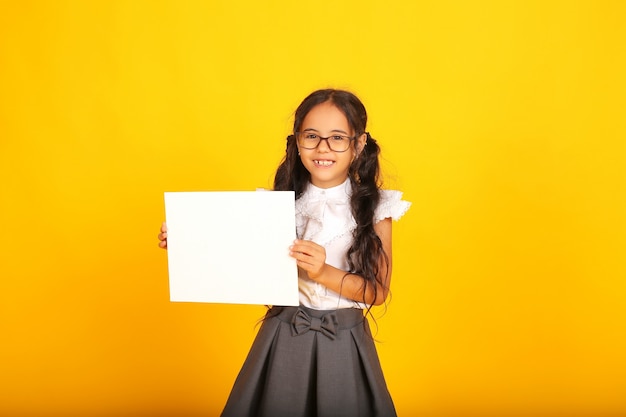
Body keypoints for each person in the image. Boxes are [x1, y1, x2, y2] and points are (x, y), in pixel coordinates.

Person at [158, 89, 410, 416]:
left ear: (358, 144)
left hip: (344, 340)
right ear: (296, 141)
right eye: (311, 136)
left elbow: (376, 292)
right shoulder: (276, 204)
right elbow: (238, 257)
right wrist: (187, 239)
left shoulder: (376, 208)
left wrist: (323, 272)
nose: (323, 148)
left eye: (337, 137)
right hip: (282, 335)